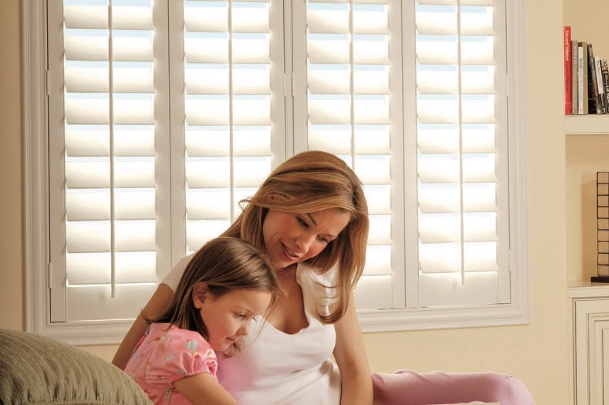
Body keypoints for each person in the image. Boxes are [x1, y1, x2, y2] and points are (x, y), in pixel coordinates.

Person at [114, 150, 535, 405]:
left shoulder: (325, 276)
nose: (305, 245)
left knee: (504, 391)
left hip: (356, 397)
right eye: (302, 222)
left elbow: (354, 372)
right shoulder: (201, 273)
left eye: (323, 238)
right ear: (274, 196)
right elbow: (123, 371)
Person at [123, 236, 281, 405]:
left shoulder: (159, 335)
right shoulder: (184, 349)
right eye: (241, 315)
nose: (246, 331)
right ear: (202, 296)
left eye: (253, 319)